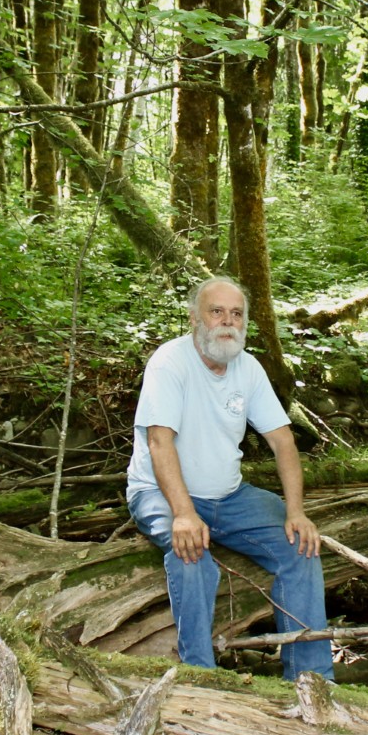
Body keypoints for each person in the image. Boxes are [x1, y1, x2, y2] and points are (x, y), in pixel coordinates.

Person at [126, 277, 334, 681]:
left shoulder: (248, 367)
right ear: (194, 319)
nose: (227, 321)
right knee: (193, 558)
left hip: (230, 496)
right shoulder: (170, 362)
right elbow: (159, 441)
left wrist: (296, 512)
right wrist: (183, 514)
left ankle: (312, 682)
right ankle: (201, 678)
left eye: (236, 314)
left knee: (301, 547)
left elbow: (283, 441)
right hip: (162, 493)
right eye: (216, 311)